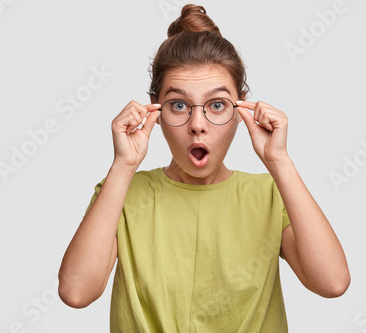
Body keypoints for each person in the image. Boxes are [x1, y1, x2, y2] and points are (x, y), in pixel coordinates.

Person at [58, 4, 350, 332]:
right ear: (154, 109)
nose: (198, 125)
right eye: (179, 105)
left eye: (216, 105)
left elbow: (333, 282)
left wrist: (279, 162)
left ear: (242, 107)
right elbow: (76, 292)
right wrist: (123, 165)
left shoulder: (271, 195)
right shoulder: (122, 193)